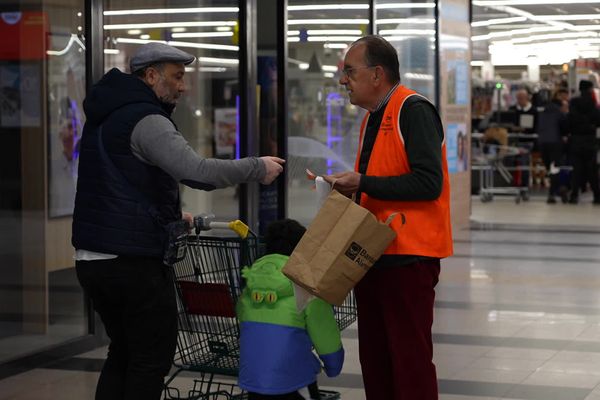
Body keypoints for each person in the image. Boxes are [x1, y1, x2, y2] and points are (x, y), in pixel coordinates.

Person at [71, 42, 285, 400]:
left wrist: (169, 216)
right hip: (131, 262)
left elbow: (119, 184)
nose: (184, 86)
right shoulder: (146, 119)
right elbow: (197, 171)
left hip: (93, 258)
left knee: (123, 351)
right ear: (151, 76)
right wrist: (256, 166)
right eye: (178, 77)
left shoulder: (107, 115)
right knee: (150, 357)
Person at [324, 35, 453, 400]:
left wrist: (363, 181)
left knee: (408, 361)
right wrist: (352, 188)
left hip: (409, 257)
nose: (343, 80)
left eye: (350, 71)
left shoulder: (413, 110)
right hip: (373, 252)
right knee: (377, 359)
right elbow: (384, 177)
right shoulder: (373, 118)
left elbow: (429, 183)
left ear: (377, 74)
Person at [237, 219, 344, 400]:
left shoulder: (251, 283)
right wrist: (333, 365)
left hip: (253, 377)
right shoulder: (305, 286)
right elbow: (324, 332)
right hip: (292, 377)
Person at [566, 79, 600, 204]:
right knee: (592, 170)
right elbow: (598, 120)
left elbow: (568, 121)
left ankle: (574, 195)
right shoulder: (593, 103)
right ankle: (597, 196)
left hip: (575, 140)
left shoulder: (573, 103)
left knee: (577, 169)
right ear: (590, 89)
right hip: (590, 140)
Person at [536, 90, 569, 204]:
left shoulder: (542, 112)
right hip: (555, 143)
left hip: (542, 143)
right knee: (555, 168)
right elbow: (565, 127)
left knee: (550, 169)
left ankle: (558, 190)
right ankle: (554, 193)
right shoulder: (559, 113)